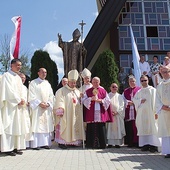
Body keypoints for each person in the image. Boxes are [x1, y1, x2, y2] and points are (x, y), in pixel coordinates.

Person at [0, 59, 27, 156]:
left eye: (20, 65)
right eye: (17, 65)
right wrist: (18, 100)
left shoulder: (18, 78)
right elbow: (8, 91)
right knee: (10, 126)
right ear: (12, 65)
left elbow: (22, 90)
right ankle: (7, 148)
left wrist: (23, 99)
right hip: (10, 107)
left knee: (17, 126)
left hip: (18, 107)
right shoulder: (6, 76)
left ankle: (16, 147)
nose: (19, 67)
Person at [54, 69, 84, 149]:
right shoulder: (62, 90)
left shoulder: (77, 91)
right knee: (65, 125)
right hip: (66, 113)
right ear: (68, 82)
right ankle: (62, 143)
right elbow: (59, 99)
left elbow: (79, 102)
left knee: (74, 126)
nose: (73, 84)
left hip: (75, 113)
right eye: (72, 82)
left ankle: (73, 142)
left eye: (74, 82)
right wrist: (61, 108)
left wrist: (81, 98)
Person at [82, 77, 113, 149]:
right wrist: (90, 99)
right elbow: (83, 100)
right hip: (91, 113)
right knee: (91, 128)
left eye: (97, 82)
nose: (95, 83)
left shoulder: (103, 91)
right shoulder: (88, 91)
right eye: (94, 82)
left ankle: (102, 144)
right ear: (92, 83)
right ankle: (91, 144)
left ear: (99, 82)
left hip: (100, 113)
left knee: (101, 128)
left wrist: (100, 101)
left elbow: (108, 101)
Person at [133, 75, 160, 152]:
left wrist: (156, 112)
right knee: (143, 127)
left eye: (145, 80)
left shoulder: (153, 90)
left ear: (148, 80)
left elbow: (156, 101)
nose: (144, 82)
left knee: (153, 127)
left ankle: (153, 145)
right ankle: (145, 144)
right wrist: (140, 101)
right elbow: (135, 100)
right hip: (142, 114)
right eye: (142, 81)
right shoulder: (139, 91)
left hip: (151, 113)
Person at [28, 68, 54, 150]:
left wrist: (48, 103)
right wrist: (39, 103)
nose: (44, 73)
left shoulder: (47, 84)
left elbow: (51, 95)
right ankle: (36, 144)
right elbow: (31, 95)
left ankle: (45, 143)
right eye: (42, 72)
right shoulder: (33, 83)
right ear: (38, 73)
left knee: (46, 125)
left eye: (45, 72)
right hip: (37, 108)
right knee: (37, 125)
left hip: (46, 108)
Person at [156, 66, 170, 158]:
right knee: (166, 132)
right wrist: (162, 106)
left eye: (166, 72)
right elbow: (157, 99)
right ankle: (168, 151)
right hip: (164, 112)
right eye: (163, 72)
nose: (165, 74)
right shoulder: (159, 85)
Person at [122, 76, 141, 147]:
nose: (132, 82)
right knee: (130, 127)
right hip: (129, 111)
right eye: (130, 81)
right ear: (128, 82)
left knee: (136, 127)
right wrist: (127, 102)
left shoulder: (139, 90)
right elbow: (122, 100)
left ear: (136, 82)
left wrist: (135, 102)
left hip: (137, 111)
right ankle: (130, 142)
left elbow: (142, 99)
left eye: (133, 81)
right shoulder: (126, 91)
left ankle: (137, 142)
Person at [107, 83, 125, 148]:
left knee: (118, 129)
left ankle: (117, 143)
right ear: (110, 87)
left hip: (117, 116)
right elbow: (106, 105)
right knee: (110, 129)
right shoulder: (107, 95)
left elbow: (122, 106)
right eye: (113, 87)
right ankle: (110, 143)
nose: (114, 88)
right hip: (110, 115)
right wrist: (110, 112)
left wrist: (117, 112)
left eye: (116, 87)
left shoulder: (120, 96)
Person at [18, 73, 32, 148]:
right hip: (18, 109)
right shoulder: (15, 87)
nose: (23, 79)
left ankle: (25, 144)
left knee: (25, 126)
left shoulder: (25, 88)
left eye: (24, 78)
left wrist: (28, 102)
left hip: (25, 109)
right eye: (21, 77)